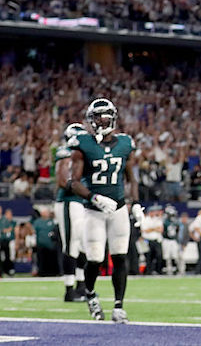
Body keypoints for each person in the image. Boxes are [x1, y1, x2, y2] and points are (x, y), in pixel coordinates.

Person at [67, 98, 143, 323]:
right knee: (95, 258)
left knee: (120, 256)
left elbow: (131, 178)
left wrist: (135, 203)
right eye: (98, 117)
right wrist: (94, 197)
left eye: (106, 116)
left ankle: (119, 306)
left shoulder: (125, 143)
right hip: (94, 210)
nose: (102, 120)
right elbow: (73, 182)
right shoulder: (83, 143)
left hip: (118, 209)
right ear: (91, 120)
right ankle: (90, 294)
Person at [53, 123, 88, 301]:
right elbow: (61, 180)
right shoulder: (65, 153)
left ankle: (81, 287)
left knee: (83, 244)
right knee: (71, 245)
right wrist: (80, 189)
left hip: (81, 203)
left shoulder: (83, 155)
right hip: (69, 202)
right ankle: (69, 289)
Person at [141, 205, 164, 274]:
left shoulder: (157, 219)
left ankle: (158, 270)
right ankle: (149, 271)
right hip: (148, 241)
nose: (153, 213)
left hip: (157, 240)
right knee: (149, 257)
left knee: (159, 256)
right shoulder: (145, 220)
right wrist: (155, 228)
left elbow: (161, 230)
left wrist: (151, 228)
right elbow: (145, 230)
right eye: (152, 211)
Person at [0, 207, 15, 275]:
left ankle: (7, 270)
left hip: (5, 240)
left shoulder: (4, 219)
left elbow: (10, 228)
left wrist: (3, 230)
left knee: (7, 256)